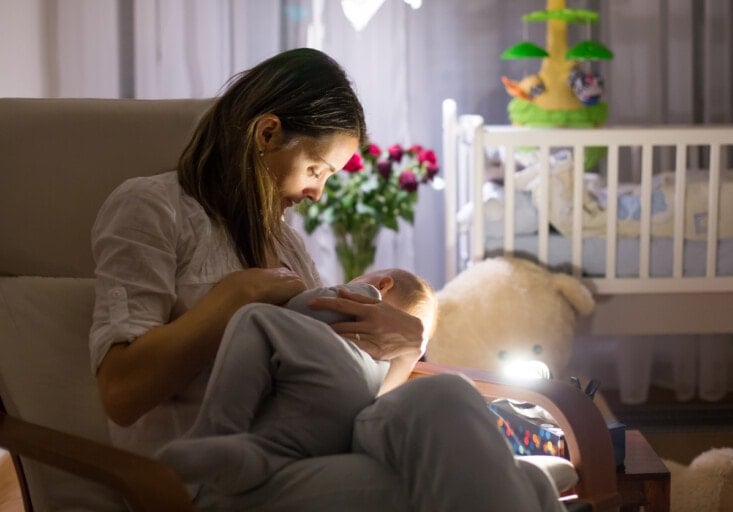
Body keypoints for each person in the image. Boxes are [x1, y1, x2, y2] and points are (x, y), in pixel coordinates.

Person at [89, 47, 565, 512]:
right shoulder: (153, 208)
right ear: (268, 133)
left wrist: (407, 341)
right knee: (484, 486)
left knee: (452, 398)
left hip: (313, 448)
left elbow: (338, 380)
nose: (317, 193)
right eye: (317, 169)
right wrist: (236, 298)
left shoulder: (287, 244)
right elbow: (121, 393)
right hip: (206, 479)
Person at [155, 268, 437, 498]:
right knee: (284, 445)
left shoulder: (365, 296)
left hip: (331, 371)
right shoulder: (387, 365)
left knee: (256, 318)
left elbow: (313, 309)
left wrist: (287, 301)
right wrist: (412, 349)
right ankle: (254, 459)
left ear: (383, 284)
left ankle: (218, 432)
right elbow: (389, 389)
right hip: (344, 419)